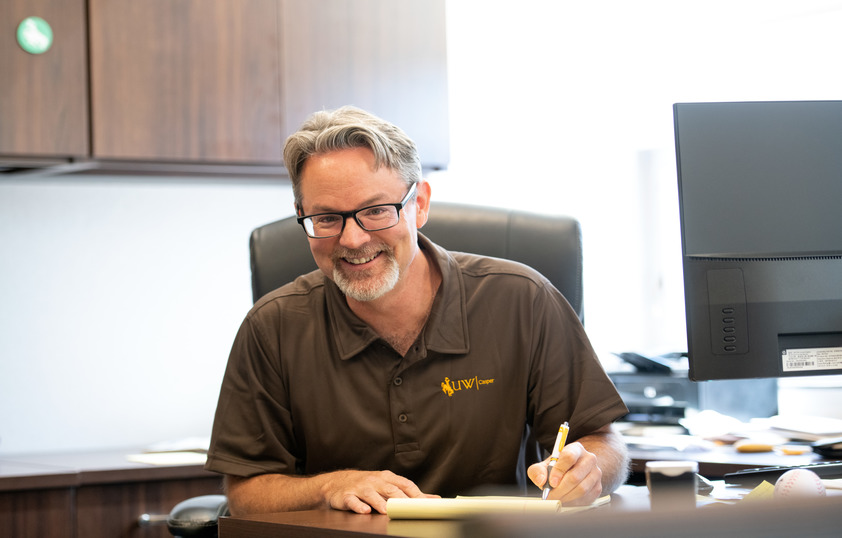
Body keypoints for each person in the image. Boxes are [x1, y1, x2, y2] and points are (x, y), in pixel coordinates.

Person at [204, 106, 630, 516]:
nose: (352, 240)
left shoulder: (524, 299)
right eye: (328, 218)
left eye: (375, 211)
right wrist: (331, 486)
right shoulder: (272, 326)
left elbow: (602, 441)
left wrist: (590, 469)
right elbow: (246, 493)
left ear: (419, 204)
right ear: (302, 216)